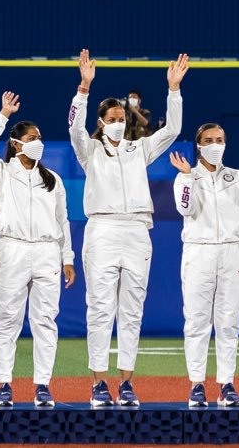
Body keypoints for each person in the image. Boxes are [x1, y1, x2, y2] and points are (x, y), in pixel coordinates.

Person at [69, 49, 187, 407]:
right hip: (103, 230)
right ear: (102, 122)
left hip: (138, 231)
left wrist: (173, 90)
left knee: (132, 308)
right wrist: (84, 89)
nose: (120, 121)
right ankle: (98, 383)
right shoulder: (88, 150)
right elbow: (74, 126)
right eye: (113, 117)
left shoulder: (139, 149)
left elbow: (174, 130)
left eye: (122, 116)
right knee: (100, 307)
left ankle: (126, 383)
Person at [0, 91, 75, 408]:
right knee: (7, 319)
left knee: (46, 320)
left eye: (40, 138)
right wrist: (2, 115)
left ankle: (42, 385)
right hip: (13, 250)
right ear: (17, 143)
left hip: (47, 252)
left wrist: (68, 258)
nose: (39, 142)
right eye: (32, 138)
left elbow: (63, 221)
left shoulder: (54, 180)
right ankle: (4, 384)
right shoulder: (1, 174)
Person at [169, 123, 239, 408]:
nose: (215, 144)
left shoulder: (237, 176)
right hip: (199, 252)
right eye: (208, 140)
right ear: (198, 145)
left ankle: (226, 384)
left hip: (232, 252)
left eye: (219, 139)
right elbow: (186, 209)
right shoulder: (188, 175)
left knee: (229, 321)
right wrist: (186, 179)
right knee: (196, 321)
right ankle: (197, 384)